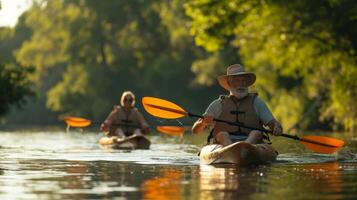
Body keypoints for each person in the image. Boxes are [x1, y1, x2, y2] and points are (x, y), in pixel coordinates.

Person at [192, 64, 283, 159]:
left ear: (247, 83)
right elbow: (195, 131)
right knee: (223, 134)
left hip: (253, 144)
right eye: (236, 81)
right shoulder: (218, 104)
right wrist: (203, 123)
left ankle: (244, 148)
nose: (241, 84)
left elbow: (273, 123)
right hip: (224, 143)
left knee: (256, 133)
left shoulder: (257, 102)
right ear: (229, 84)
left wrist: (277, 127)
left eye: (243, 81)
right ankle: (232, 151)